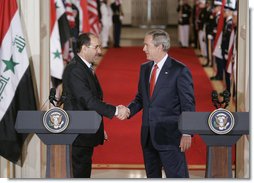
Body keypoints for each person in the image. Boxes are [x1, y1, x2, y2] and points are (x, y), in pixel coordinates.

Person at [126, 29, 195, 178]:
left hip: (170, 137)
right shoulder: (145, 69)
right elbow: (141, 98)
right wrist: (128, 110)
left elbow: (188, 104)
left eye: (147, 45)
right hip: (148, 136)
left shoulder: (180, 70)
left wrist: (187, 132)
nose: (143, 49)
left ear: (160, 47)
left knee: (177, 177)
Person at [62, 32, 129, 178]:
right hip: (78, 133)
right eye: (96, 47)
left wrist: (98, 127)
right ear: (84, 48)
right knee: (80, 172)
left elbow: (92, 99)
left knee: (84, 170)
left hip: (85, 129)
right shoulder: (75, 70)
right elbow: (89, 101)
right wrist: (117, 111)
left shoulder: (84, 67)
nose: (100, 51)